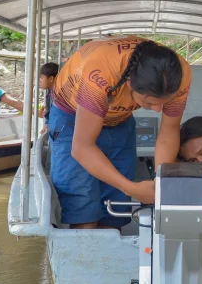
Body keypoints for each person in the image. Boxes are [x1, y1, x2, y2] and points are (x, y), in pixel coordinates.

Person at [48, 37, 191, 228]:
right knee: (81, 201)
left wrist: (160, 181)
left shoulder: (179, 75)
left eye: (164, 103)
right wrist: (132, 188)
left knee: (116, 204)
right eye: (149, 102)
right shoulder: (101, 71)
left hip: (119, 119)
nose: (157, 110)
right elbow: (81, 148)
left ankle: (110, 250)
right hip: (71, 113)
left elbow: (169, 131)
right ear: (130, 83)